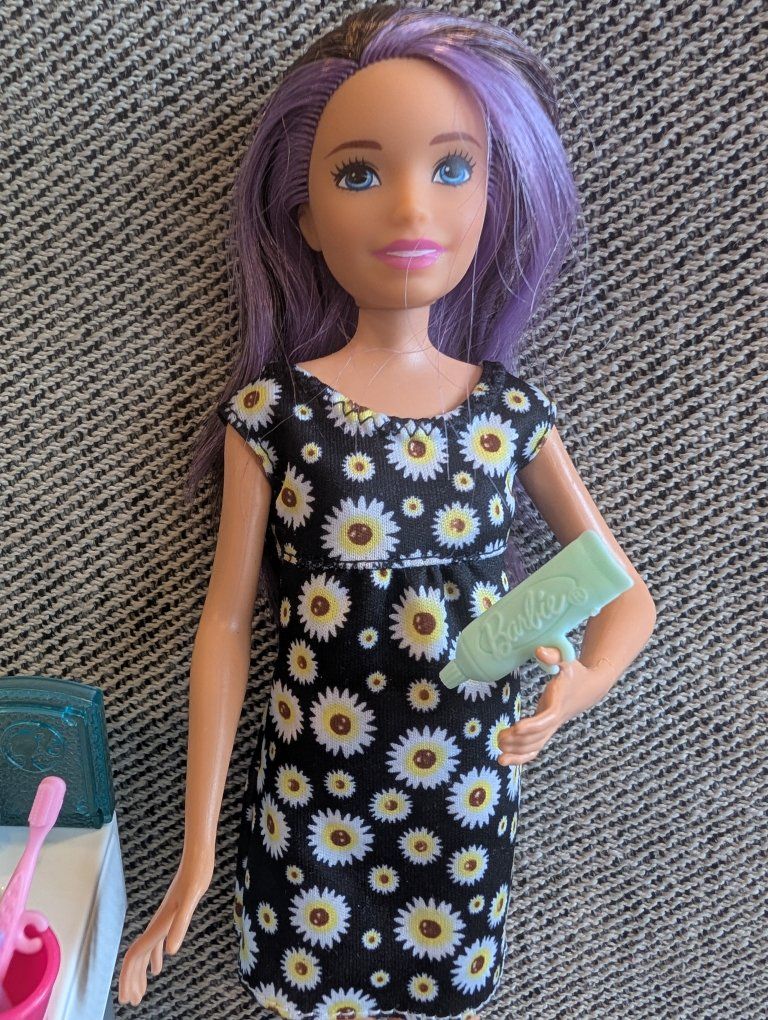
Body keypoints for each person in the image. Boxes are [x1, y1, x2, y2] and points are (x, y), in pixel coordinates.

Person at [118, 4, 656, 1017]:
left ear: (493, 199)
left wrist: (580, 685)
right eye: (359, 175)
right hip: (311, 797)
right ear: (306, 220)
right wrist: (194, 859)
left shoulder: (508, 415)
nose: (412, 208)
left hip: (461, 804)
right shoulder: (273, 415)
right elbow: (225, 626)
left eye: (452, 169)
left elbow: (625, 595)